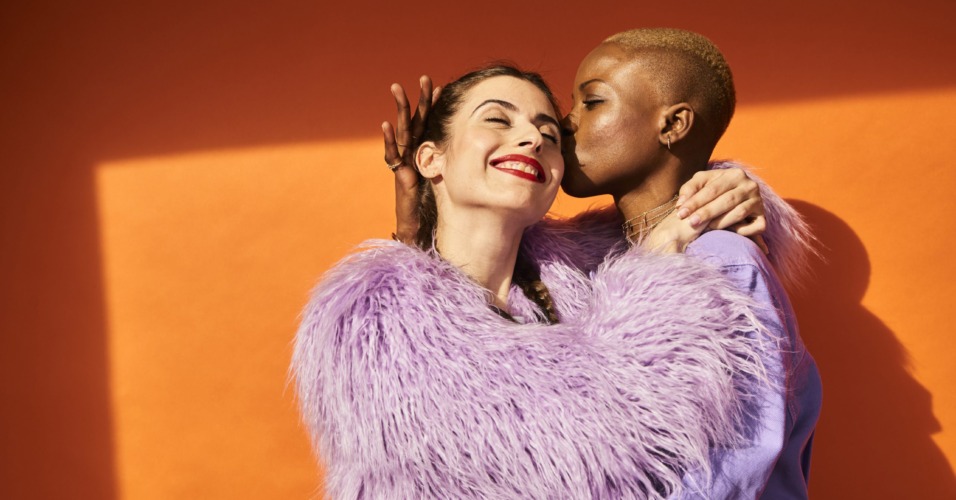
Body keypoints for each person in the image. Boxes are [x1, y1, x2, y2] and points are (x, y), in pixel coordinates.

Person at [294, 65, 776, 498]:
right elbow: (577, 463)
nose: (534, 139)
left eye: (549, 132)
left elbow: (663, 222)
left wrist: (715, 192)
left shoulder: (585, 273)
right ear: (430, 159)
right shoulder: (369, 322)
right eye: (498, 120)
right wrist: (654, 264)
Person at [385, 28, 821, 499]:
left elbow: (732, 468)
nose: (563, 125)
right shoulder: (580, 281)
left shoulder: (719, 263)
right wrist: (419, 232)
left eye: (591, 103)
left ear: (673, 126)